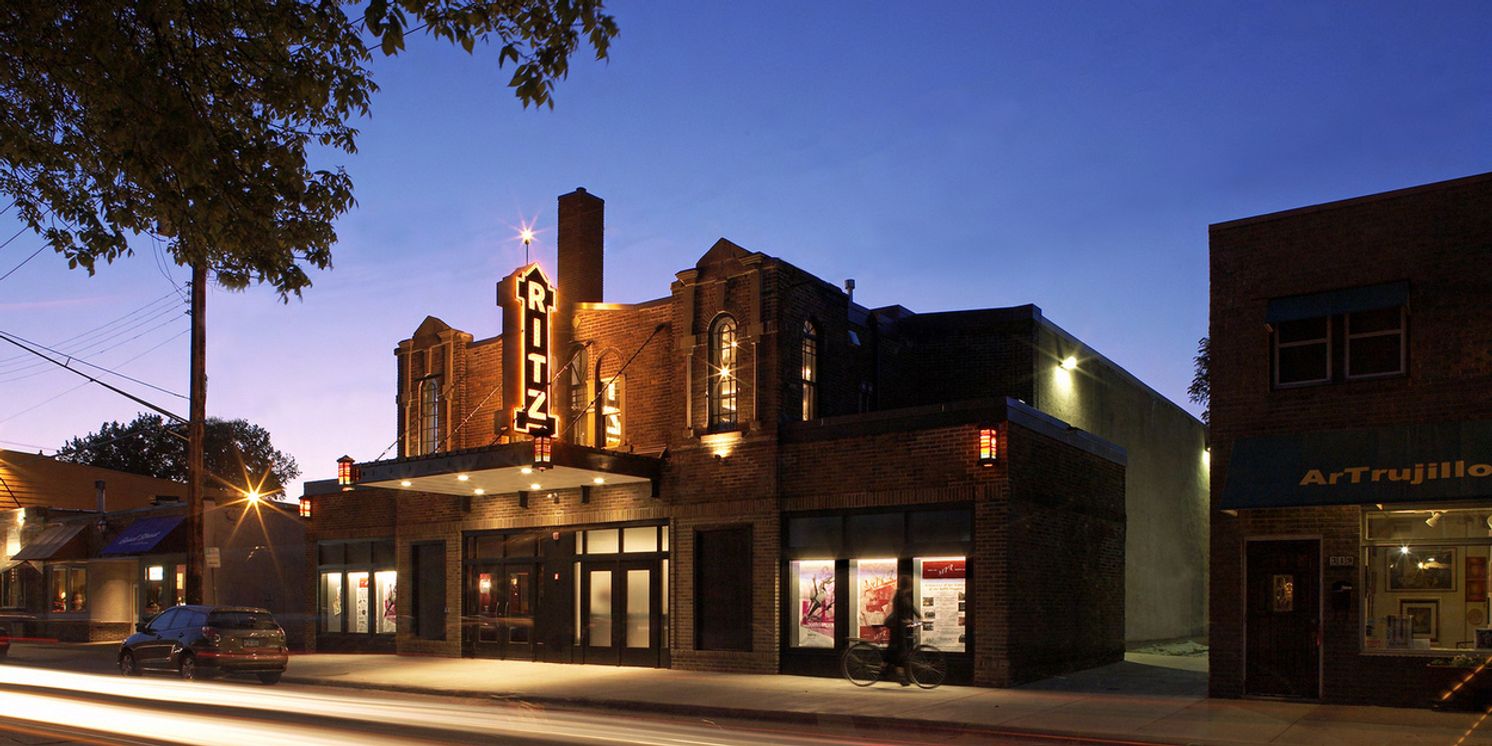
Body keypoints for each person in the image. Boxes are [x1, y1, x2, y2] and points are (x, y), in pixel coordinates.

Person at [884, 574, 921, 686]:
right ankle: (899, 676)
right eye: (910, 584)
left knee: (897, 651)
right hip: (896, 625)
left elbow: (910, 606)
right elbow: (898, 611)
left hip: (900, 625)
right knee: (899, 651)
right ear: (907, 585)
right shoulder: (899, 595)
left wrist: (919, 616)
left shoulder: (904, 595)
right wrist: (905, 620)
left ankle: (887, 669)